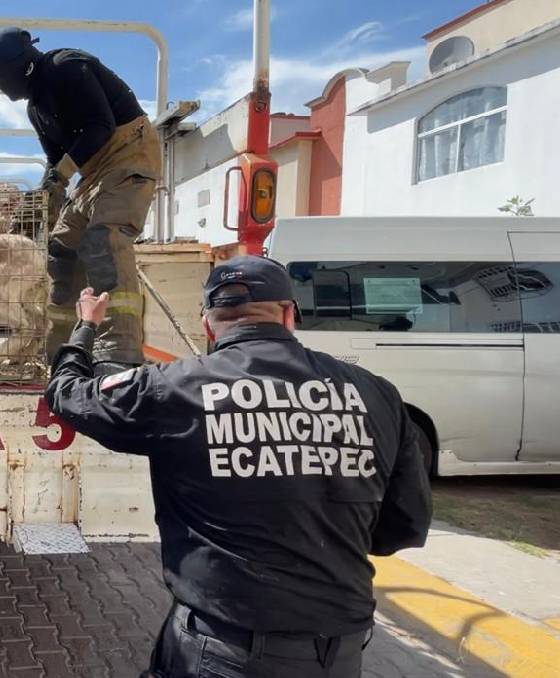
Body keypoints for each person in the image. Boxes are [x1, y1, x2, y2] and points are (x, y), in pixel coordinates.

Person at [46, 256, 432, 678]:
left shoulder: (173, 387)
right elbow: (405, 525)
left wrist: (86, 325)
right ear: (289, 314)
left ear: (209, 324)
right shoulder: (376, 394)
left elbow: (67, 393)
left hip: (220, 650)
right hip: (336, 653)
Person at [0, 27, 162, 376]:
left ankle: (117, 355)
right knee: (61, 250)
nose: (0, 88)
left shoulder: (66, 67)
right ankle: (62, 351)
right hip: (93, 172)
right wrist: (41, 201)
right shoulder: (36, 110)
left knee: (103, 240)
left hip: (128, 155)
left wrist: (62, 174)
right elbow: (56, 162)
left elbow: (101, 125)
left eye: (0, 79)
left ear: (20, 67)